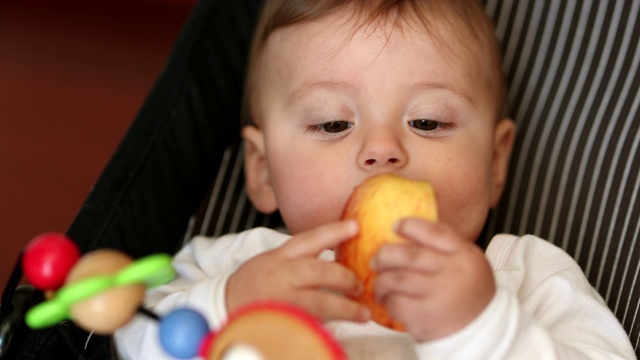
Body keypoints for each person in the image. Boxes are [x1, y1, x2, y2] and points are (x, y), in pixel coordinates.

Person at [115, 0, 635, 358]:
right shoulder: (237, 264)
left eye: (428, 122)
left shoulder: (524, 278)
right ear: (264, 170)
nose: (383, 150)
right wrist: (225, 304)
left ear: (496, 163)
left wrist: (483, 328)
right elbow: (122, 332)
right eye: (333, 124)